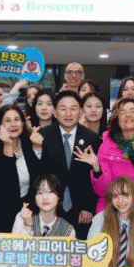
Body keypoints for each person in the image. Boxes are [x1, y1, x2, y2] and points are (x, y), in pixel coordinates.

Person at [78, 98, 134, 217]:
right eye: (122, 112)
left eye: (132, 111)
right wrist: (96, 168)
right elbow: (103, 191)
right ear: (117, 120)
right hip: (113, 209)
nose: (128, 115)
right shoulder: (107, 145)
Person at [38, 91, 100, 237]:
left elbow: (93, 176)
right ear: (54, 112)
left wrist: (89, 207)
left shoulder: (92, 138)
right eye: (63, 109)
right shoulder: (43, 135)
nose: (68, 114)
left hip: (81, 213)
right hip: (50, 209)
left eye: (73, 108)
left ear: (81, 112)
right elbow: (38, 174)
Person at [0, 104, 41, 235]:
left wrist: (38, 148)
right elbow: (3, 186)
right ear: (0, 125)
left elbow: (37, 178)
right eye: (8, 121)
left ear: (23, 122)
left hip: (25, 211)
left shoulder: (27, 143)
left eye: (17, 119)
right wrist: (7, 146)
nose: (13, 124)